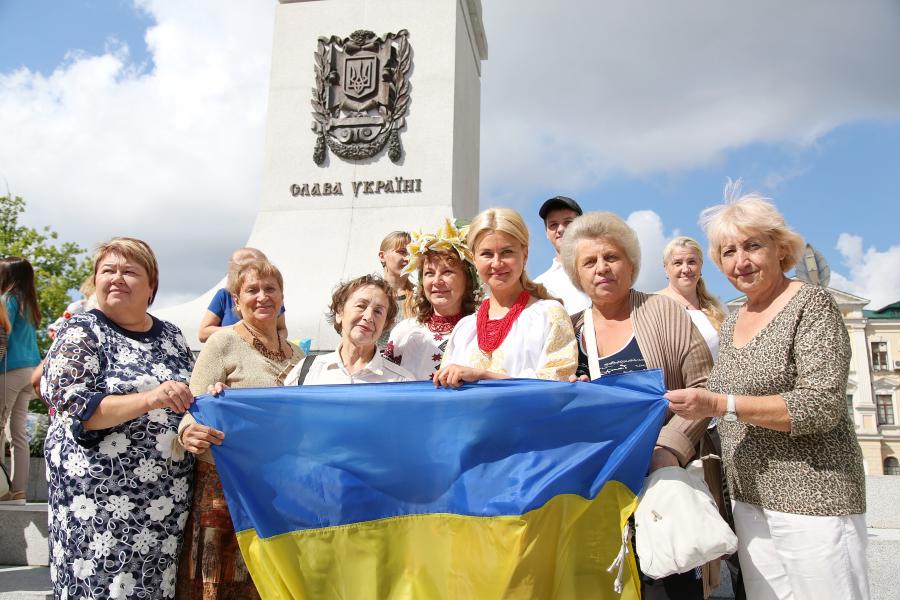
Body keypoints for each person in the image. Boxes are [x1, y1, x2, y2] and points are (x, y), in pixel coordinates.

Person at [666, 187, 870, 600]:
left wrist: (722, 405)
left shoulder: (810, 304)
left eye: (752, 246)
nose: (740, 262)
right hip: (750, 500)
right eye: (727, 252)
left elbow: (819, 405)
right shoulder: (733, 317)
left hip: (816, 498)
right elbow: (712, 392)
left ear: (780, 248)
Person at [559, 212, 716, 599]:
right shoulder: (568, 329)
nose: (602, 269)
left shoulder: (664, 312)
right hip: (599, 489)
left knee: (669, 584)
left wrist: (669, 448)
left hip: (661, 481)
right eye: (589, 262)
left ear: (631, 264)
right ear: (576, 274)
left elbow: (704, 384)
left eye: (611, 257)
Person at [40, 238, 196, 599]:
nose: (117, 278)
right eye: (107, 271)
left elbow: (189, 394)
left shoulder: (171, 335)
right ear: (94, 281)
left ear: (151, 285)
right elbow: (80, 408)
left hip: (162, 505)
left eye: (129, 271)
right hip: (97, 504)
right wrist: (150, 398)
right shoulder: (81, 331)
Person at [177, 259, 302, 600]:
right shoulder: (223, 344)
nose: (262, 297)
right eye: (252, 290)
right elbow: (193, 409)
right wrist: (189, 432)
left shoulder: (298, 355)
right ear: (236, 300)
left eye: (270, 289)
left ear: (282, 297)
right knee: (218, 585)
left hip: (277, 488)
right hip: (224, 488)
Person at [434, 207, 577, 387]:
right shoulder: (464, 329)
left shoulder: (549, 315)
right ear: (473, 258)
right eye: (486, 254)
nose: (497, 263)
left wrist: (484, 376)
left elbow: (558, 384)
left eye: (507, 252)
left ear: (524, 255)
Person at [383, 219, 481, 379]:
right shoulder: (405, 332)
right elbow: (385, 387)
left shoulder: (480, 330)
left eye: (447, 272)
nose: (437, 281)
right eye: (429, 273)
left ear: (468, 280)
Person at [285, 274, 413, 385]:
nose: (368, 317)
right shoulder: (306, 372)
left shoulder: (401, 382)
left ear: (385, 324)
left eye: (378, 311)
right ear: (340, 313)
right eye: (361, 306)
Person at [0, 256, 42, 505]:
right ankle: (18, 491)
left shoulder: (7, 300)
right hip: (31, 371)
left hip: (10, 370)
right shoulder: (29, 303)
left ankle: (2, 489)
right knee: (18, 434)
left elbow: (2, 337)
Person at [655, 236, 725, 359]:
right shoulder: (651, 305)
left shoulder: (718, 308)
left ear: (700, 266)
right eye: (678, 263)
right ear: (666, 268)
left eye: (692, 262)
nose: (686, 269)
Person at [198, 247, 287, 343]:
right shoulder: (224, 295)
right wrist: (241, 330)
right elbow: (203, 333)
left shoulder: (272, 300)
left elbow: (282, 329)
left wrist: (275, 343)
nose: (262, 297)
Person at [533, 196, 591, 315]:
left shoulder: (600, 271)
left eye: (568, 222)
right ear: (546, 232)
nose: (560, 229)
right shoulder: (538, 286)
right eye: (553, 224)